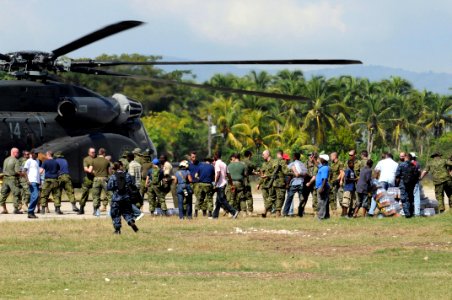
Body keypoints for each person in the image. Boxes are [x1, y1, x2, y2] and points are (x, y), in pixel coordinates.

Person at [107, 161, 139, 234]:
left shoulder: (113, 176)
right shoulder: (127, 175)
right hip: (126, 198)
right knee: (127, 213)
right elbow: (132, 184)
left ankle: (117, 230)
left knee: (116, 214)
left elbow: (109, 187)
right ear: (121, 166)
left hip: (116, 199)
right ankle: (130, 221)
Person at [211, 151, 239, 219]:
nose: (213, 157)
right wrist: (231, 184)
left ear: (216, 156)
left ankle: (234, 211)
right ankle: (215, 216)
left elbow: (218, 173)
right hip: (223, 184)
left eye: (214, 155)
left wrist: (215, 183)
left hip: (220, 185)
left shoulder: (217, 163)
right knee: (218, 201)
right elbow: (229, 175)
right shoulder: (224, 164)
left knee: (222, 200)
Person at [283, 152, 307, 217]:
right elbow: (305, 173)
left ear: (295, 157)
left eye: (293, 156)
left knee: (289, 198)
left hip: (294, 183)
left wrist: (295, 173)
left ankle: (285, 212)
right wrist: (300, 174)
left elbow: (286, 171)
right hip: (301, 183)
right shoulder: (303, 164)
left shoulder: (292, 164)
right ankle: (301, 213)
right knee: (301, 199)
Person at [396, 152, 419, 218]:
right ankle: (411, 212)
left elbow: (397, 175)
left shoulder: (401, 164)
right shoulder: (413, 165)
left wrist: (397, 184)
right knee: (411, 197)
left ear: (406, 157)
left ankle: (407, 214)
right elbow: (417, 175)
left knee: (404, 198)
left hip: (403, 183)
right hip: (411, 184)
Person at [0, 147, 22, 214]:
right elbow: (17, 171)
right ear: (14, 152)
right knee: (16, 193)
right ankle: (16, 209)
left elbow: (4, 170)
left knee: (3, 194)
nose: (18, 154)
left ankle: (4, 209)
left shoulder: (6, 160)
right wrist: (23, 174)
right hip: (13, 179)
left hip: (5, 179)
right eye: (17, 152)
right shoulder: (16, 160)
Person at [91, 148, 111, 216]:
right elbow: (109, 172)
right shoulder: (107, 161)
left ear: (99, 153)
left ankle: (96, 211)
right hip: (105, 179)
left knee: (96, 195)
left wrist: (96, 174)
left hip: (96, 179)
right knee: (109, 194)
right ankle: (112, 210)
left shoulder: (93, 160)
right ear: (104, 153)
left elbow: (91, 170)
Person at [257, 150, 276, 218]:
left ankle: (267, 211)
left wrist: (267, 176)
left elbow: (275, 173)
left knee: (271, 198)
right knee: (265, 199)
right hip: (264, 184)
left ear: (268, 154)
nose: (262, 156)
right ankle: (268, 212)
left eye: (263, 154)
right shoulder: (264, 164)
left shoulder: (274, 162)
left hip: (271, 184)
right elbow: (262, 175)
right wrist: (259, 184)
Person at [23, 150, 41, 218]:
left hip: (36, 181)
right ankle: (30, 211)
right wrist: (27, 180)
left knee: (34, 197)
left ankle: (31, 213)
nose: (36, 155)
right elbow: (24, 171)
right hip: (31, 181)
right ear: (31, 154)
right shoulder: (29, 161)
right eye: (35, 154)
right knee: (35, 196)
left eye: (37, 154)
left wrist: (40, 182)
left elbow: (37, 172)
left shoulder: (37, 161)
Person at [78, 147, 96, 215]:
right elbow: (85, 169)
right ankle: (81, 209)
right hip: (88, 179)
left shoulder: (97, 158)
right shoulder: (86, 159)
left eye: (94, 152)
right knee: (84, 194)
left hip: (95, 180)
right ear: (89, 153)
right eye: (92, 152)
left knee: (95, 195)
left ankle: (95, 210)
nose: (93, 153)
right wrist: (92, 171)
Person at [316, 154, 330, 220]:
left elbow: (324, 179)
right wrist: (314, 159)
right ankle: (326, 216)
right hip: (321, 186)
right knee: (324, 202)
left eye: (320, 158)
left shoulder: (324, 168)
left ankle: (321, 217)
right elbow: (317, 165)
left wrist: (322, 187)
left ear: (323, 160)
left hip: (322, 187)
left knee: (321, 202)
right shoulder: (323, 167)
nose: (319, 159)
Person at [242, 150, 256, 215]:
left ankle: (244, 211)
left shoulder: (241, 162)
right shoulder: (248, 162)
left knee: (242, 197)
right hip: (246, 182)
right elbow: (254, 166)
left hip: (240, 182)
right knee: (249, 196)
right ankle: (250, 211)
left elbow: (247, 171)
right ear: (249, 156)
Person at [188, 151, 201, 217]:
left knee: (198, 197)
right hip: (190, 183)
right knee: (188, 197)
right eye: (193, 157)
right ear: (190, 157)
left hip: (196, 183)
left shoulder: (199, 164)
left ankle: (196, 211)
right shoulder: (187, 164)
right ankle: (188, 212)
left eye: (195, 157)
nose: (194, 158)